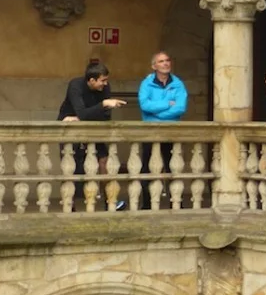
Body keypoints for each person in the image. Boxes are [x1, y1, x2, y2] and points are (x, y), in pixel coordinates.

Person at [58, 61, 126, 202]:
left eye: (106, 80)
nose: (105, 84)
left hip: (95, 126)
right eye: (102, 80)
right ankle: (70, 206)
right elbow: (82, 112)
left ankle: (110, 201)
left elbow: (106, 115)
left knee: (104, 159)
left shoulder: (105, 88)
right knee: (69, 166)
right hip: (69, 129)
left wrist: (81, 117)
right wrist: (103, 104)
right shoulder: (76, 86)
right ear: (92, 80)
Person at [137, 51, 188, 209]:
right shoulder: (146, 84)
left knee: (173, 167)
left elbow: (180, 108)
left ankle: (176, 203)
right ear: (154, 66)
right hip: (150, 131)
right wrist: (167, 104)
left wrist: (157, 114)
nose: (165, 63)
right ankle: (146, 205)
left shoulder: (178, 84)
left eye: (167, 60)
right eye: (161, 61)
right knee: (147, 168)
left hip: (171, 131)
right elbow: (145, 105)